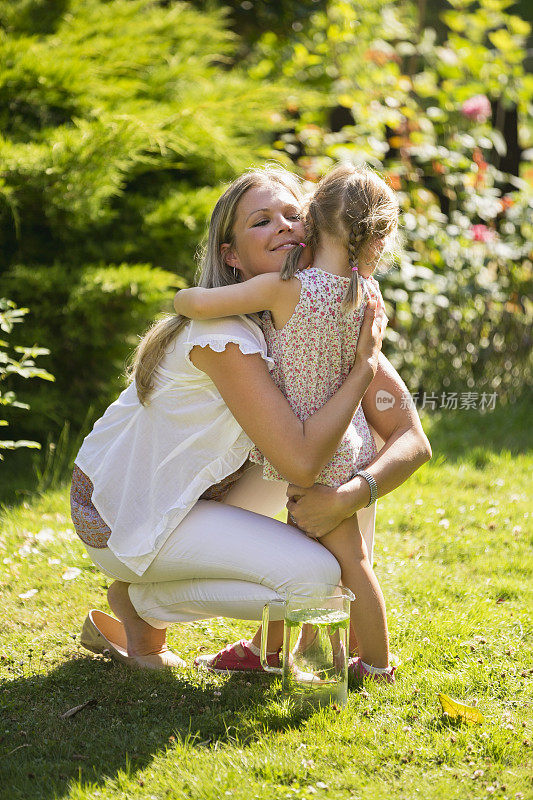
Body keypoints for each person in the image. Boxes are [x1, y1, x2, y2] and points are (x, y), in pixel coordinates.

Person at [70, 166, 431, 678]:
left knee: (352, 454)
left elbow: (409, 437)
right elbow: (302, 462)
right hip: (128, 509)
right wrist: (362, 371)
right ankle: (141, 606)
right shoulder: (225, 334)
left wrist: (349, 497)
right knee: (320, 581)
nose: (283, 227)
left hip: (206, 487)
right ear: (231, 255)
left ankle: (279, 647)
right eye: (261, 221)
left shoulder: (326, 312)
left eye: (292, 215)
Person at [174, 164, 399, 681]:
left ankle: (377, 664)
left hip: (312, 446)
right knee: (310, 546)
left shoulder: (285, 287)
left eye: (292, 215)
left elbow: (205, 304)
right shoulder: (365, 295)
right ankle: (269, 650)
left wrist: (180, 300)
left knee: (350, 564)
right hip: (346, 438)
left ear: (311, 223)